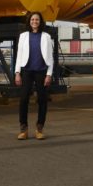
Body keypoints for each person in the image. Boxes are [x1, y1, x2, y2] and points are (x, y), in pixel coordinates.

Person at [14, 11, 54, 140]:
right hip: (26, 71)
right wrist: (17, 73)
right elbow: (19, 55)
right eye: (32, 20)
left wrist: (49, 74)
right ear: (29, 22)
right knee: (24, 99)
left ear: (40, 22)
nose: (34, 22)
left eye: (37, 20)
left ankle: (39, 128)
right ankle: (23, 129)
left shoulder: (46, 36)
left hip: (41, 71)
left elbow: (50, 58)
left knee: (42, 100)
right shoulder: (24, 36)